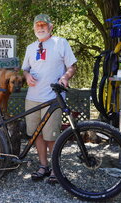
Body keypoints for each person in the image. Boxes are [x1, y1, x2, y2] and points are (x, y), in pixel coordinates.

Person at [22, 14, 77, 184]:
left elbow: (72, 66)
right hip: (32, 97)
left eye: (43, 25)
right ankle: (43, 166)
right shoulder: (30, 47)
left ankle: (55, 168)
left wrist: (66, 77)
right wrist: (27, 76)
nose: (40, 28)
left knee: (51, 136)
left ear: (51, 27)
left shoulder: (61, 43)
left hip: (54, 98)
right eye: (37, 25)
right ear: (34, 28)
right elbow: (25, 69)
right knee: (37, 133)